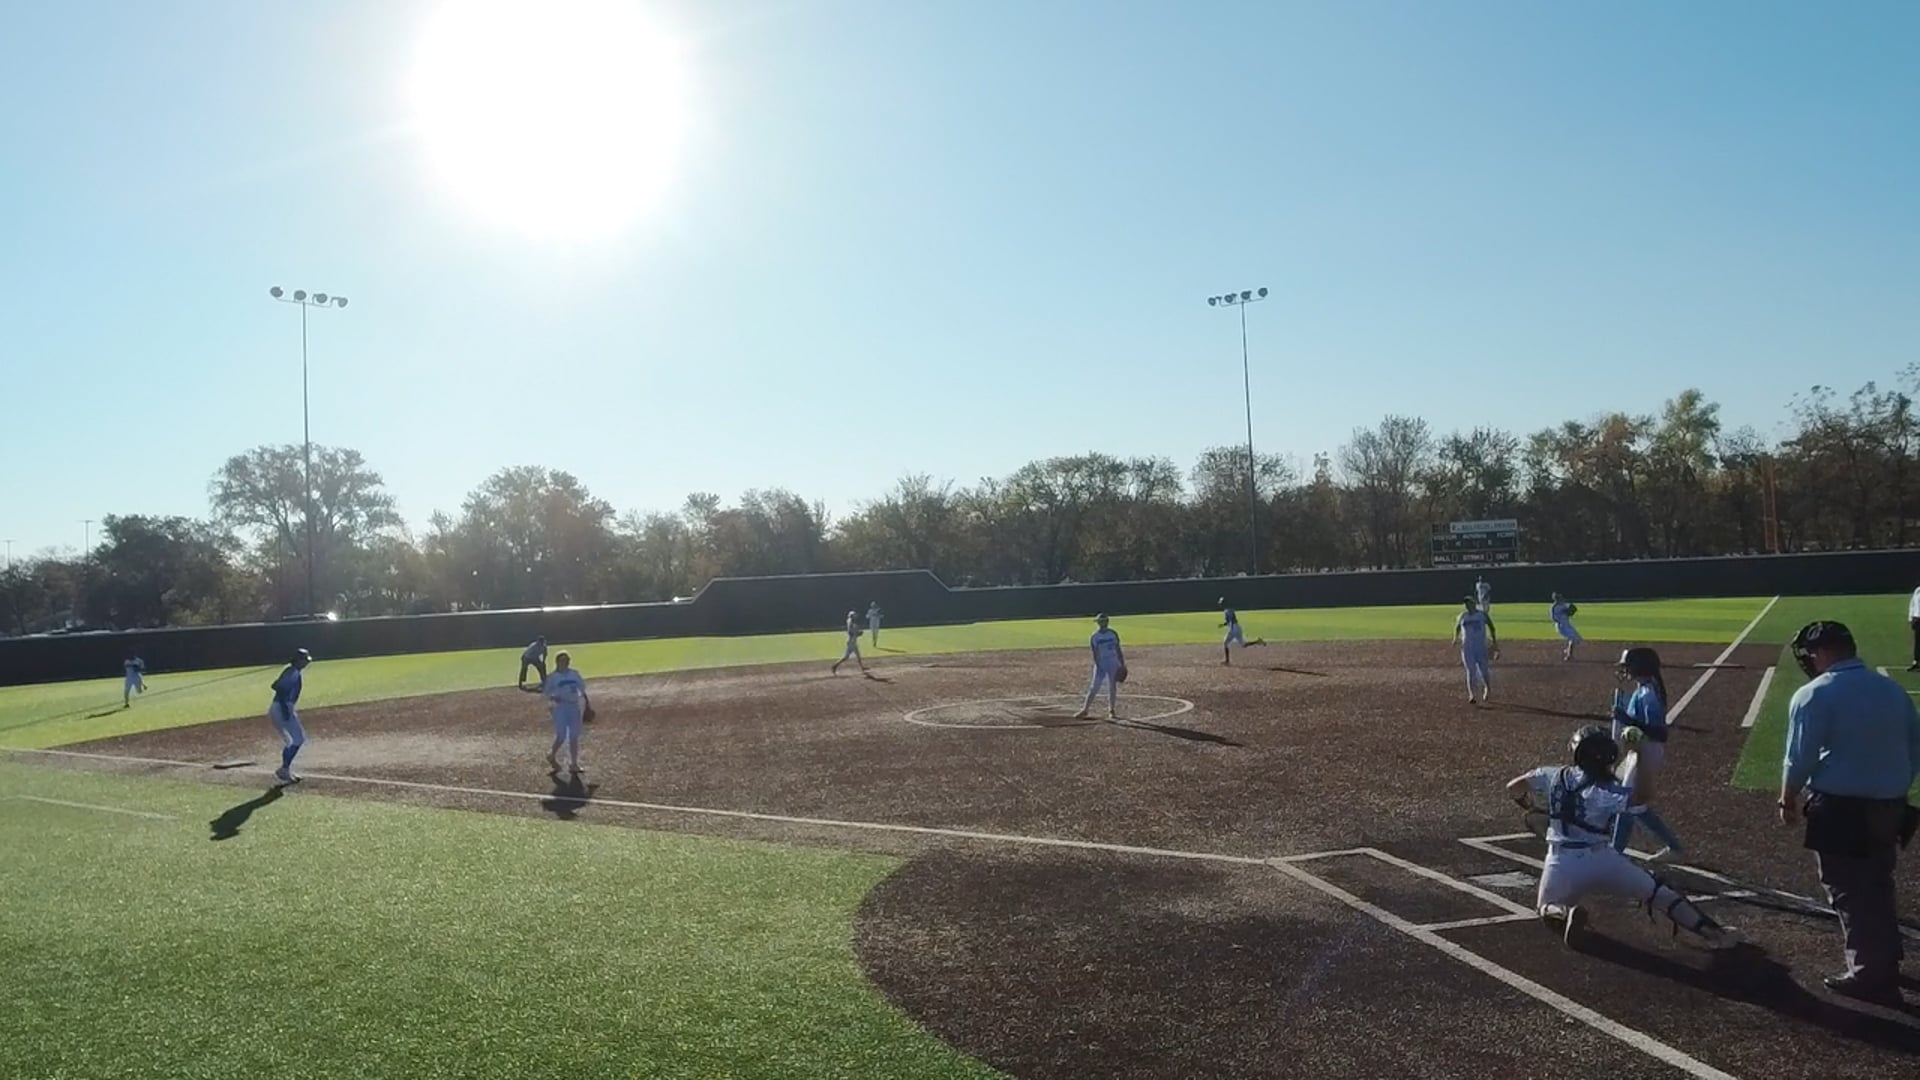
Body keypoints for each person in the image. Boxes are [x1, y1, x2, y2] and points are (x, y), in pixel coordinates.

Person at [1779, 620, 1920, 1005]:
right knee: (1878, 882)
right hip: (1891, 806)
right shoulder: (1891, 689)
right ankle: (1886, 957)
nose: (1810, 660)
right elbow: (1914, 749)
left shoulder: (1814, 694)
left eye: (1812, 653)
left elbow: (1799, 758)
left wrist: (1787, 799)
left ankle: (1870, 974)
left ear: (1825, 652)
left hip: (1842, 809)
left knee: (1848, 890)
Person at [1505, 725, 1735, 949]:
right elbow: (1643, 796)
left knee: (1546, 907)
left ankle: (1565, 912)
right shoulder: (1605, 791)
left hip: (1562, 862)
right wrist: (1640, 754)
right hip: (1604, 860)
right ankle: (1715, 934)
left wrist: (1528, 805)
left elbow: (1513, 787)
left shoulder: (1551, 775)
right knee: (1657, 892)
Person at [1610, 647, 1684, 862]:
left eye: (1628, 666)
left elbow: (1660, 733)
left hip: (1647, 751)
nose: (1625, 670)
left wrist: (1627, 720)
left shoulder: (1648, 694)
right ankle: (1674, 848)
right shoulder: (1642, 689)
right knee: (1635, 805)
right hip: (1639, 750)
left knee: (1626, 801)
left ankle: (1615, 853)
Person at [543, 651, 592, 775]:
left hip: (574, 706)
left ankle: (574, 764)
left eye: (567, 660)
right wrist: (553, 698)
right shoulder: (553, 677)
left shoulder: (574, 674)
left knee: (574, 736)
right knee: (561, 735)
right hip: (560, 708)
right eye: (564, 660)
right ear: (558, 662)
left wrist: (587, 705)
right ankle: (552, 755)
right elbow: (546, 693)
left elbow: (582, 689)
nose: (566, 662)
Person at [268, 648, 312, 785]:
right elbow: (281, 689)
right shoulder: (293, 673)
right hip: (282, 707)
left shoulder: (289, 671)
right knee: (298, 739)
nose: (306, 663)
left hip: (277, 707)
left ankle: (285, 769)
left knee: (291, 741)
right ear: (298, 661)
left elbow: (275, 686)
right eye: (304, 660)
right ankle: (284, 769)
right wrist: (286, 711)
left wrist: (278, 684)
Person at [1073, 613, 1127, 720]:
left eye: (1101, 622)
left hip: (1113, 662)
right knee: (1094, 686)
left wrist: (1122, 664)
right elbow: (1095, 653)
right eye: (1099, 622)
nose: (1100, 624)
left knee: (1112, 686)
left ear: (1105, 622)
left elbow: (1118, 649)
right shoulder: (1095, 636)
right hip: (1101, 663)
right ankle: (1085, 709)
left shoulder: (1113, 634)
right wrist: (1098, 665)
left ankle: (1111, 710)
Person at [1453, 597, 1498, 705]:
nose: (1468, 606)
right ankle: (1472, 694)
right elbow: (1457, 627)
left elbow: (1492, 627)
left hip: (1481, 647)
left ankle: (1487, 688)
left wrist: (1494, 642)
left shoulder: (1482, 615)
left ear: (1474, 603)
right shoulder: (1463, 616)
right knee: (1471, 670)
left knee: (1484, 670)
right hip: (1467, 648)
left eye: (1469, 603)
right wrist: (1455, 638)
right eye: (1466, 604)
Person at [1218, 598, 1268, 666]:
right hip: (1237, 628)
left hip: (1234, 629)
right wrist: (1223, 625)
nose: (1220, 604)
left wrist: (1231, 628)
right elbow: (1229, 621)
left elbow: (1232, 620)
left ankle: (1227, 661)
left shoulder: (1228, 611)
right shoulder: (1228, 610)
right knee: (1243, 645)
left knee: (1225, 643)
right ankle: (1258, 641)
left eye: (1221, 603)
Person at [831, 610, 869, 675]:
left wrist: (857, 633)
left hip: (853, 641)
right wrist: (858, 634)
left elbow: (853, 631)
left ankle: (862, 667)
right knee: (846, 657)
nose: (855, 616)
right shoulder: (850, 621)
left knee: (858, 655)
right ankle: (835, 666)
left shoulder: (852, 622)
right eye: (854, 615)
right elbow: (850, 632)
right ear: (851, 616)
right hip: (851, 641)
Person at [1550, 593, 1582, 661]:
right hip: (1561, 626)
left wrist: (1569, 612)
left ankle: (1567, 650)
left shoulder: (1563, 605)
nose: (1561, 598)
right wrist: (1563, 613)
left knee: (1578, 639)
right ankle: (1569, 656)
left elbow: (1573, 608)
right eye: (1559, 597)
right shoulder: (1554, 607)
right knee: (1572, 639)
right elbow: (1554, 618)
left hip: (1567, 625)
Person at [1908, 585, 1920, 673]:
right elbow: (1912, 604)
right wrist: (1911, 617)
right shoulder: (1917, 590)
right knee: (1918, 641)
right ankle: (1916, 662)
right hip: (1917, 619)